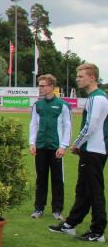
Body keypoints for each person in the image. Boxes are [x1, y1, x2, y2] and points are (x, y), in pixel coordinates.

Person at [49, 63, 108, 243]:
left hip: (93, 150)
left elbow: (90, 126)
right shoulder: (96, 97)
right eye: (77, 76)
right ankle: (71, 224)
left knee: (94, 191)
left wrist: (76, 144)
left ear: (92, 77)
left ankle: (97, 231)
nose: (77, 79)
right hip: (93, 150)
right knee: (83, 190)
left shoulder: (97, 98)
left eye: (81, 76)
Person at [29, 74, 72, 220]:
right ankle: (38, 209)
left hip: (56, 148)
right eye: (39, 85)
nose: (40, 88)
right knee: (40, 179)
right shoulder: (37, 105)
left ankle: (57, 210)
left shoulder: (62, 105)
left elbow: (68, 126)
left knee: (57, 180)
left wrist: (63, 146)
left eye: (42, 86)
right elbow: (33, 124)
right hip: (40, 147)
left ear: (51, 87)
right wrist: (32, 143)